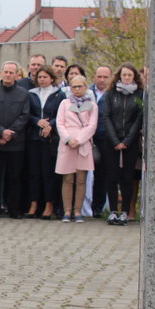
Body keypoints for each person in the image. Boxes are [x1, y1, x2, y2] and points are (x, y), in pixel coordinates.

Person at [0, 61, 30, 219]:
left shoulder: (23, 94)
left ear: (17, 75)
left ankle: (14, 210)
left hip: (16, 144)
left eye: (11, 72)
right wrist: (1, 132)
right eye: (6, 72)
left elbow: (24, 116)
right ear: (1, 73)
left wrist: (10, 133)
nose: (8, 75)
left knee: (15, 178)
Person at [101, 62, 144, 226]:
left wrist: (126, 141)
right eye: (124, 75)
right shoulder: (111, 94)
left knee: (127, 177)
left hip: (130, 143)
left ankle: (125, 211)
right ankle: (113, 210)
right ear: (119, 76)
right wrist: (115, 141)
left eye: (129, 75)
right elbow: (107, 117)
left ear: (134, 77)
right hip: (111, 141)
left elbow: (139, 119)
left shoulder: (139, 95)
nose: (126, 78)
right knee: (112, 176)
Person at [54, 75, 97, 223]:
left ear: (86, 87)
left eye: (80, 86)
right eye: (74, 87)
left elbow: (92, 126)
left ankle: (78, 211)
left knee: (80, 179)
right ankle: (67, 211)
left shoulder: (92, 105)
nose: (77, 90)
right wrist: (68, 139)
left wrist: (79, 140)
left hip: (83, 144)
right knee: (68, 178)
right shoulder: (64, 103)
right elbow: (60, 123)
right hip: (67, 144)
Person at [26, 65, 65, 220]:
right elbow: (26, 113)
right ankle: (33, 203)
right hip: (33, 138)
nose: (42, 80)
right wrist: (37, 121)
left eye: (45, 77)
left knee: (48, 173)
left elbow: (62, 115)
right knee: (33, 172)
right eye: (40, 77)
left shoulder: (59, 95)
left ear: (51, 78)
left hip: (50, 140)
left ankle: (49, 204)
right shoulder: (31, 94)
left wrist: (50, 125)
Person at [89, 65, 112, 217]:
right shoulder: (87, 92)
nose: (102, 80)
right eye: (99, 76)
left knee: (102, 174)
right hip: (87, 137)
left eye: (105, 77)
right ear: (95, 76)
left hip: (105, 137)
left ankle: (98, 206)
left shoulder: (112, 94)